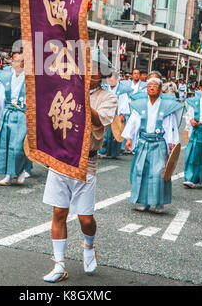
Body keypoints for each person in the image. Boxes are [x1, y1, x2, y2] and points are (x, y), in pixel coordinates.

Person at [42, 49, 118, 283]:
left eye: (93, 68)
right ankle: (59, 265)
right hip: (61, 158)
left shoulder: (108, 98)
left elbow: (99, 121)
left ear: (102, 73)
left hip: (87, 161)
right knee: (58, 212)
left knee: (85, 218)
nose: (88, 71)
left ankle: (89, 244)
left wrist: (80, 96)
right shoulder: (66, 90)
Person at [122, 77, 183, 214]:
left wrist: (172, 144)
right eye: (149, 86)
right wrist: (129, 138)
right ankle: (143, 202)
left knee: (160, 173)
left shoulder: (167, 106)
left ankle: (159, 203)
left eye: (154, 85)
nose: (151, 88)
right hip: (144, 141)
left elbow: (171, 126)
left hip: (159, 142)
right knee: (141, 171)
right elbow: (133, 122)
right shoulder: (140, 104)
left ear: (160, 90)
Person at [0, 52, 27, 186]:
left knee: (18, 146)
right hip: (7, 112)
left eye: (19, 61)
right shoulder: (6, 77)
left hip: (22, 113)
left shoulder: (31, 79)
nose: (16, 63)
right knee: (5, 144)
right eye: (14, 61)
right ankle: (8, 175)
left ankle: (21, 171)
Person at [117, 68, 147, 154]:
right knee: (125, 127)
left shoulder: (144, 85)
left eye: (138, 73)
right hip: (128, 107)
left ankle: (134, 146)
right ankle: (123, 147)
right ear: (132, 75)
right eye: (134, 73)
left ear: (140, 75)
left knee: (136, 127)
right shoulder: (127, 84)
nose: (136, 75)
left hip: (137, 108)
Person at [98, 74, 120, 159]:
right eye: (109, 80)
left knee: (114, 135)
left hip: (116, 114)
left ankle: (112, 153)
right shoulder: (105, 89)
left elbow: (123, 102)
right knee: (104, 134)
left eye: (112, 80)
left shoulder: (121, 90)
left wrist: (122, 114)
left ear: (116, 80)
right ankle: (101, 151)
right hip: (105, 113)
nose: (110, 82)